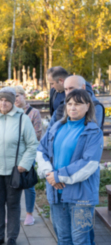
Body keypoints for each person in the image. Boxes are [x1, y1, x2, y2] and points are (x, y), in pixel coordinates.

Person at [37, 89, 103, 245]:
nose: (73, 107)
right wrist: (50, 174)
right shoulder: (57, 126)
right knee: (63, 238)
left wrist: (58, 176)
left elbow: (89, 163)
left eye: (78, 104)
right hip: (57, 192)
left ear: (88, 106)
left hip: (82, 197)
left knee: (81, 240)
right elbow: (41, 151)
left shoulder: (94, 132)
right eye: (70, 103)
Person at [0, 87, 38, 245]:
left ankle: (12, 238)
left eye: (7, 101)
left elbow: (32, 145)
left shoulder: (22, 119)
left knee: (13, 204)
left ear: (12, 102)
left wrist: (24, 164)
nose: (3, 103)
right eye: (0, 100)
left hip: (15, 171)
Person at [14, 86, 42, 226]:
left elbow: (37, 134)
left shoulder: (33, 113)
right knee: (12, 184)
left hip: (27, 154)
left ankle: (29, 214)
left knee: (28, 184)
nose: (16, 98)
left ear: (24, 96)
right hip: (11, 154)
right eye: (13, 96)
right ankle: (14, 214)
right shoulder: (9, 112)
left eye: (18, 95)